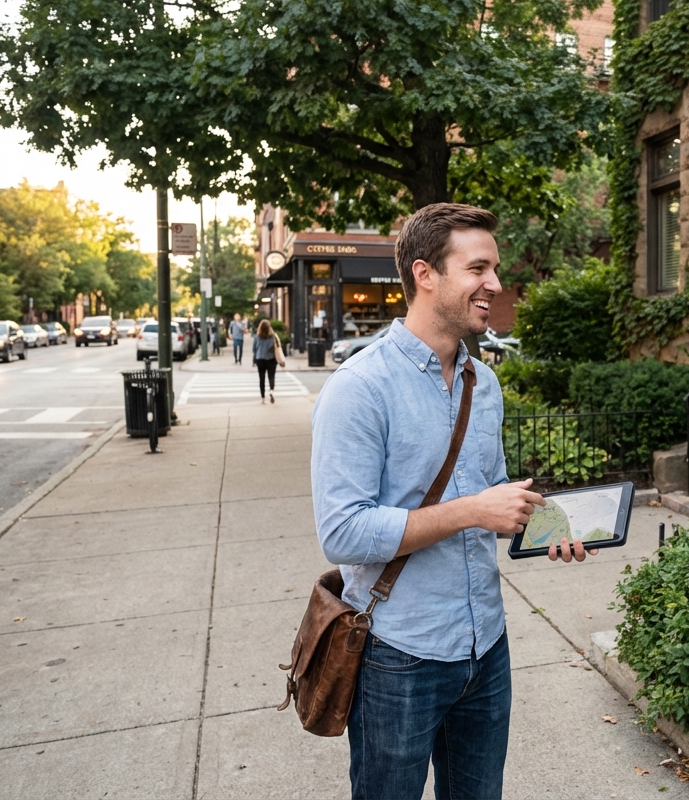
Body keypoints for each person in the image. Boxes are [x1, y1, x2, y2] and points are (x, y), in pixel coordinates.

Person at [311, 203, 593, 800]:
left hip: (485, 647)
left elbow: (492, 497)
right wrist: (472, 511)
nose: (495, 283)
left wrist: (546, 525)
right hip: (398, 653)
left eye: (495, 269)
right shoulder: (360, 388)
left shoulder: (481, 383)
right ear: (425, 274)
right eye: (479, 268)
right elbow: (342, 533)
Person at [252, 319, 284, 404]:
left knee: (261, 379)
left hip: (260, 359)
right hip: (271, 359)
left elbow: (254, 349)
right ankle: (271, 391)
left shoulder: (256, 337)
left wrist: (254, 360)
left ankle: (262, 398)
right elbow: (278, 347)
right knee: (271, 377)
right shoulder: (273, 337)